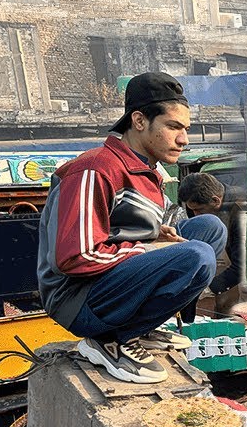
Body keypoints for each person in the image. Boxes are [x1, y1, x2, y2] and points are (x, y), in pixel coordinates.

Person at [37, 72, 227, 383]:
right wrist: (149, 249)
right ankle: (110, 339)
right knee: (198, 255)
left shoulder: (148, 171)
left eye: (186, 129)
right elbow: (75, 257)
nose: (184, 139)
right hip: (78, 299)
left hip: (113, 281)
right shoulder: (95, 168)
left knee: (209, 228)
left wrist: (155, 235)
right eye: (173, 127)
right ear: (139, 121)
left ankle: (143, 327)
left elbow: (122, 228)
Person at [165, 172, 246, 318]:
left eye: (199, 210)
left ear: (216, 201)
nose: (195, 215)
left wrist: (208, 288)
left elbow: (241, 266)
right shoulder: (209, 199)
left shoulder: (241, 212)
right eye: (192, 210)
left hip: (235, 281)